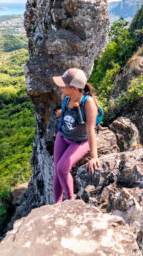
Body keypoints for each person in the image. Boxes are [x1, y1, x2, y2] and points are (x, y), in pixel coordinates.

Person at [52, 68, 99, 203]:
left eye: (63, 85)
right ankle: (57, 204)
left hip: (80, 141)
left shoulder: (88, 102)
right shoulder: (66, 98)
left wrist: (94, 156)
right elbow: (69, 110)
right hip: (63, 136)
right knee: (57, 170)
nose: (60, 86)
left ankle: (71, 202)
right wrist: (63, 112)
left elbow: (90, 129)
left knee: (62, 168)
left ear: (73, 88)